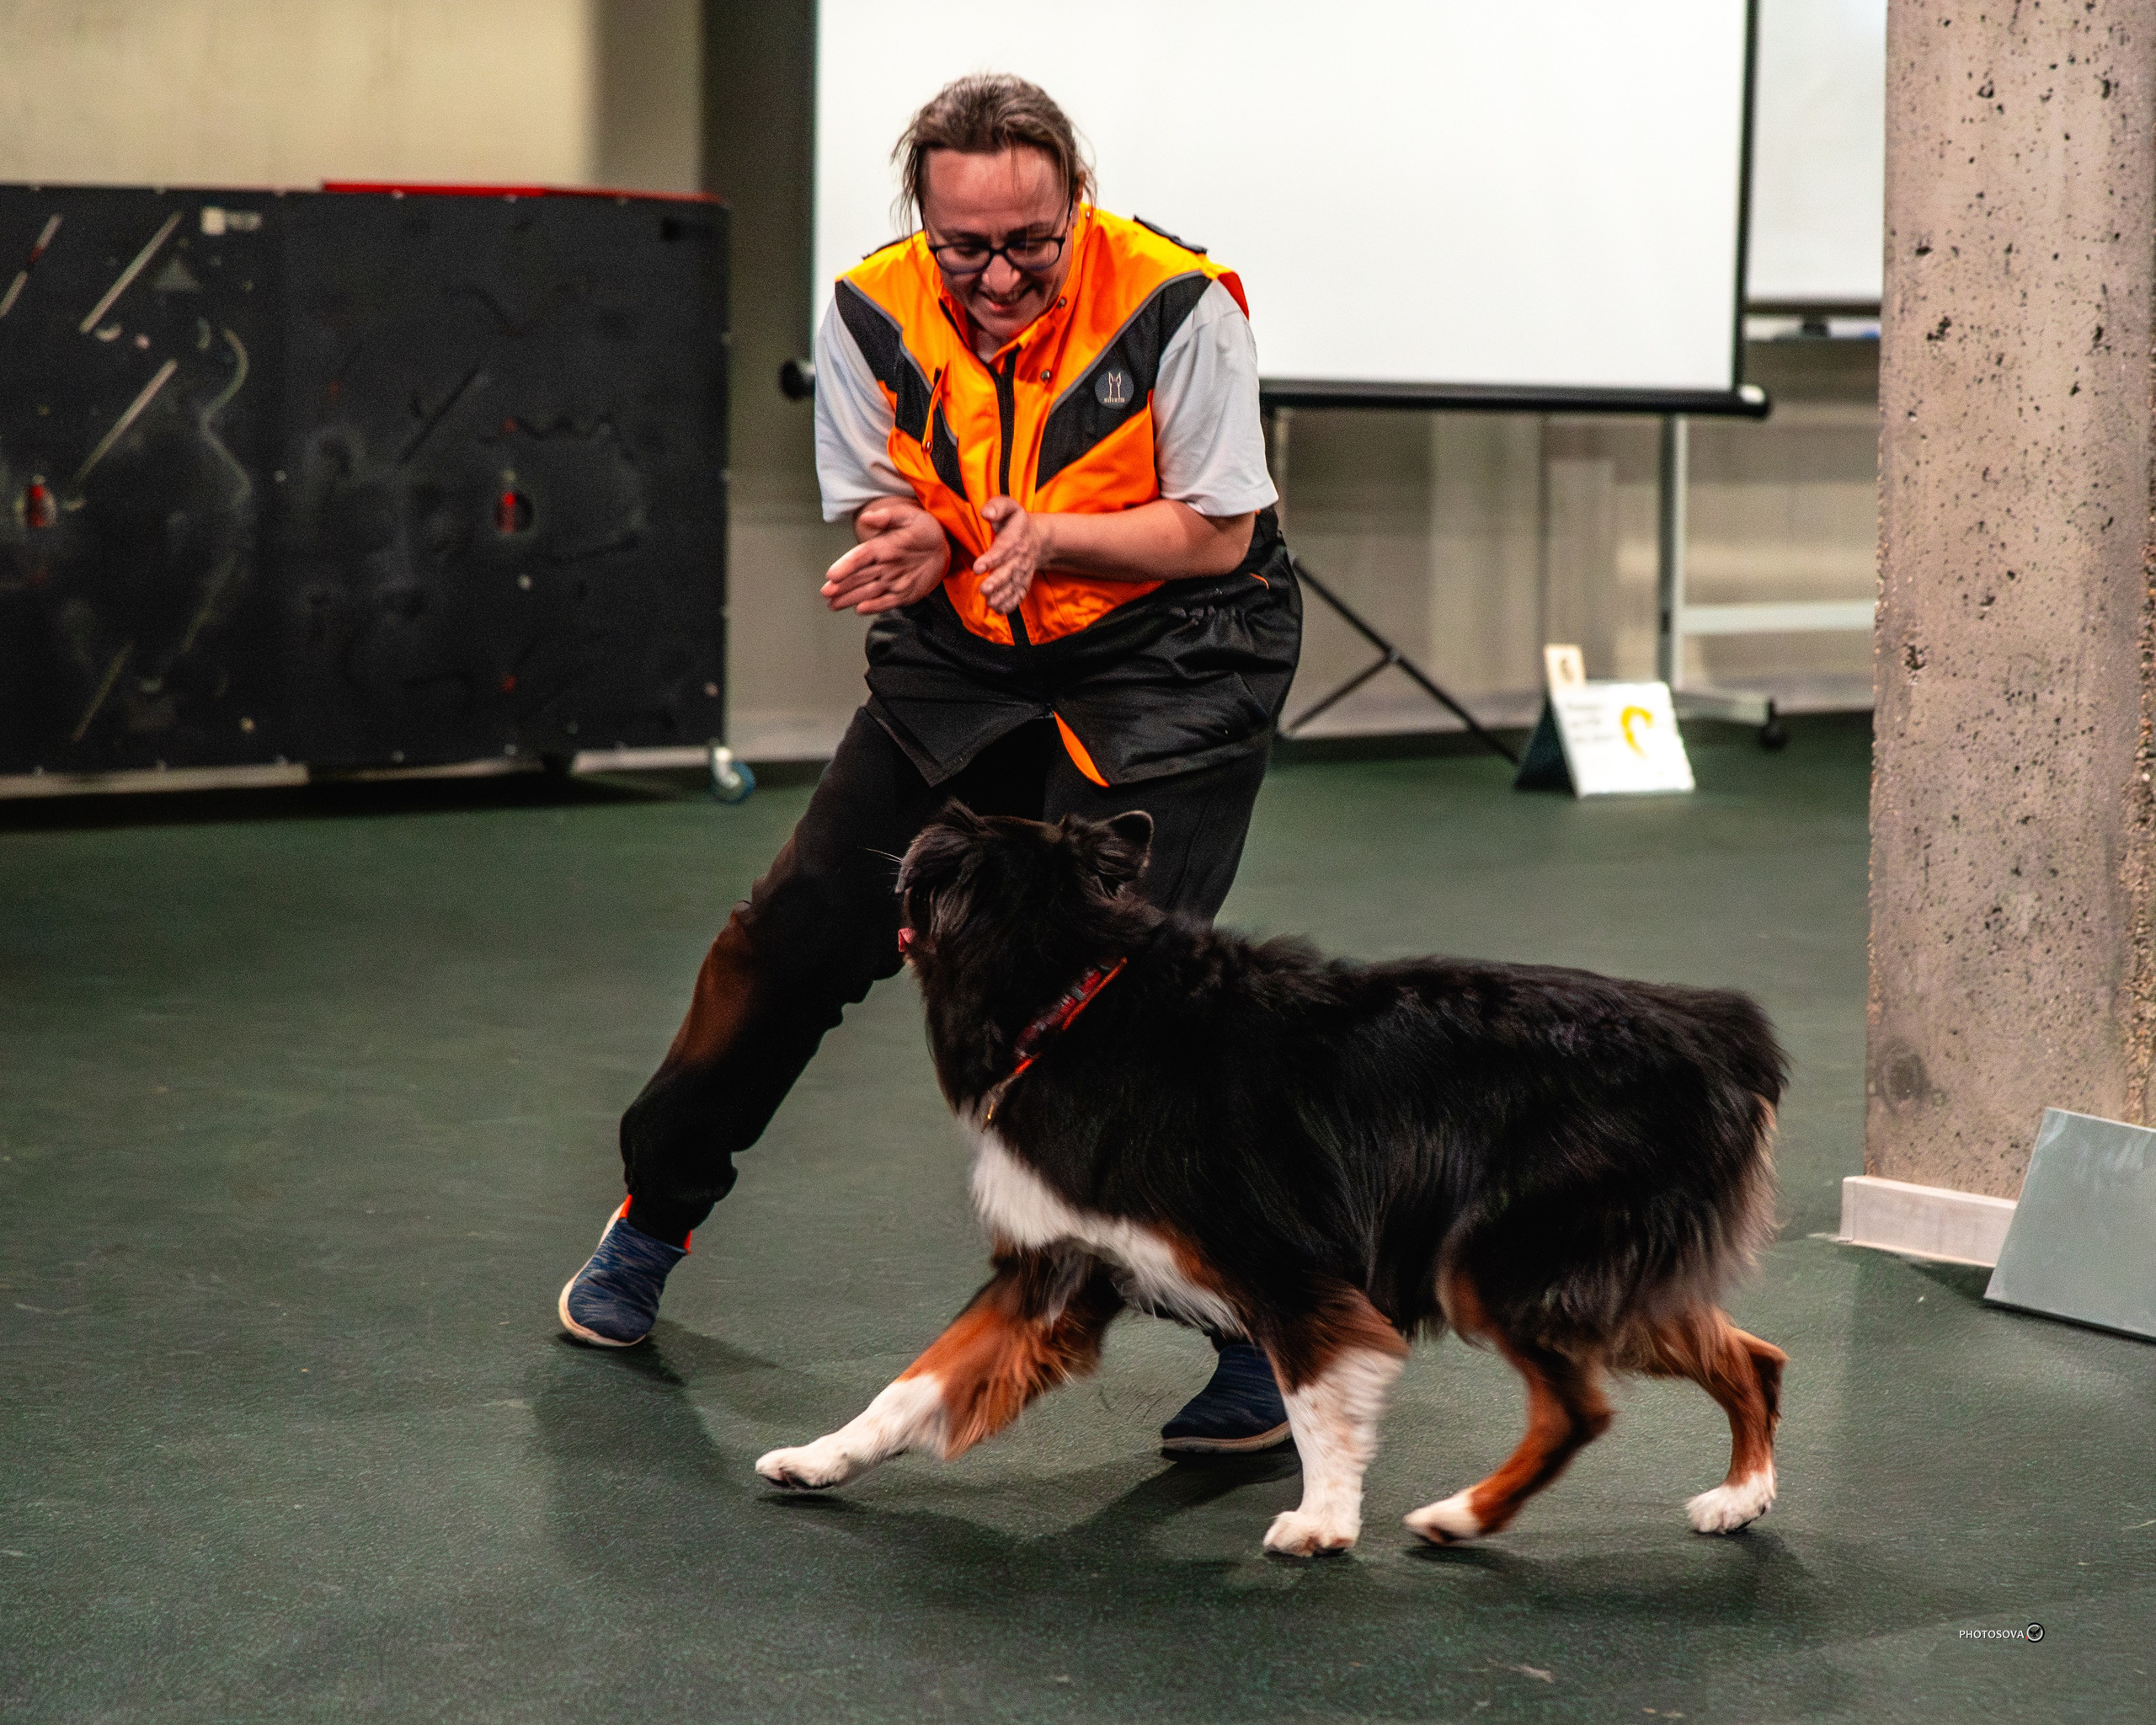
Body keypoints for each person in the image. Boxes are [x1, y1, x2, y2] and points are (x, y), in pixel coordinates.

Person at [558, 73, 1303, 1455]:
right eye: (969, 247)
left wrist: (1052, 540)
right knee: (792, 935)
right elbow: (888, 495)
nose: (1003, 274)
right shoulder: (867, 307)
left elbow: (1215, 533)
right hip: (968, 645)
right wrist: (913, 538)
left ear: (1073, 206)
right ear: (925, 221)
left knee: (1125, 1007)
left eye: (1032, 241)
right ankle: (654, 1213)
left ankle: (1256, 1325)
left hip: (1171, 657)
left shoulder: (1182, 306)